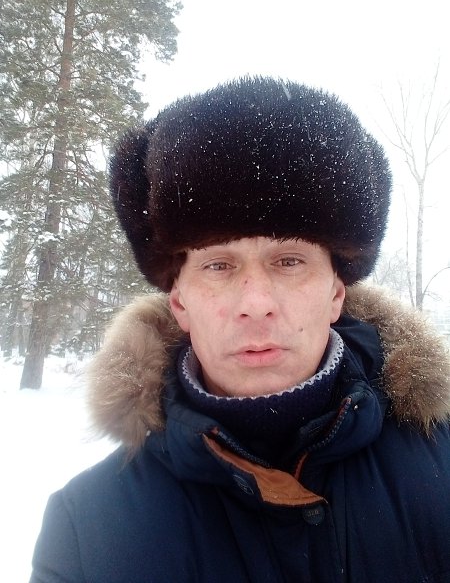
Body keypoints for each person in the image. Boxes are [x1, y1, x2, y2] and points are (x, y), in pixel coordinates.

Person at [30, 77, 450, 583]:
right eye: (218, 266)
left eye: (289, 261)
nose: (256, 305)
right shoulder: (87, 531)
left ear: (336, 294)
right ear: (179, 302)